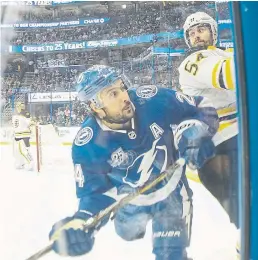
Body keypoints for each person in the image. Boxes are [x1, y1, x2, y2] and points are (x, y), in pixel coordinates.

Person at [49, 65, 219, 259]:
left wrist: (197, 133)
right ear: (95, 105)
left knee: (171, 255)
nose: (124, 96)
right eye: (113, 94)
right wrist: (80, 222)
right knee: (128, 234)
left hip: (171, 192)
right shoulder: (87, 144)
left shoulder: (153, 99)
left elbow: (201, 106)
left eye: (122, 87)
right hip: (130, 201)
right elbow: (95, 193)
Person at [178, 12, 239, 228]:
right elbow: (233, 75)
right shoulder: (192, 62)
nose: (196, 36)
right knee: (248, 212)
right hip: (225, 144)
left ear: (213, 32)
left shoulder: (223, 53)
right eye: (191, 33)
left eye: (201, 30)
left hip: (239, 137)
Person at [11, 102, 34, 170]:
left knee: (24, 151)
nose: (17, 107)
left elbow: (30, 123)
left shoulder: (25, 114)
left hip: (24, 135)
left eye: (18, 106)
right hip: (19, 135)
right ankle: (21, 163)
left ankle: (31, 162)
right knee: (18, 151)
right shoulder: (16, 116)